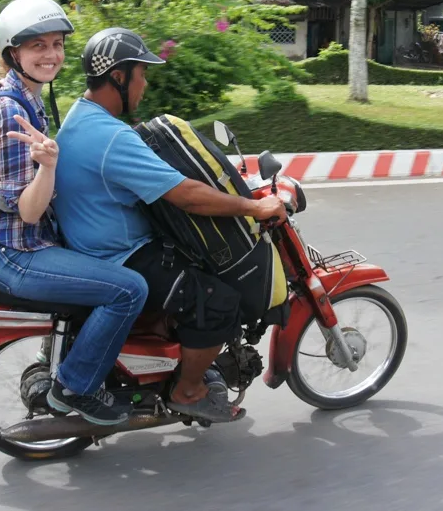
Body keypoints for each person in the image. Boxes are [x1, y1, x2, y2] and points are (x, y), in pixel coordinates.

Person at [52, 27, 287, 423]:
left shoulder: (81, 117)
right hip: (119, 255)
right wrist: (253, 207)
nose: (144, 84)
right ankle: (188, 389)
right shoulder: (110, 137)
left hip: (94, 243)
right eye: (141, 74)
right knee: (218, 300)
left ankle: (176, 363)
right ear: (119, 76)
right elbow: (187, 195)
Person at [0, 0, 148, 426]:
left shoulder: (26, 98)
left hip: (22, 245)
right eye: (37, 46)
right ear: (13, 53)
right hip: (16, 253)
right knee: (129, 289)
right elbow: (29, 212)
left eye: (56, 44)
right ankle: (74, 387)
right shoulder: (9, 111)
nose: (51, 55)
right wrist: (49, 164)